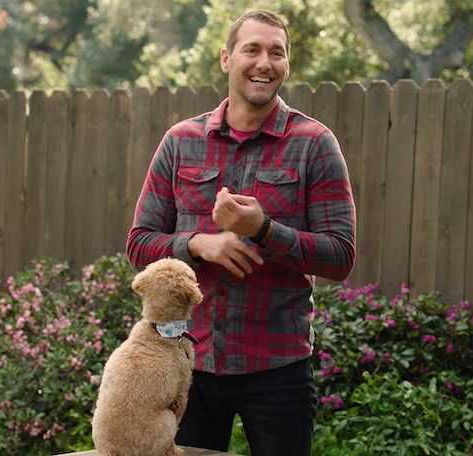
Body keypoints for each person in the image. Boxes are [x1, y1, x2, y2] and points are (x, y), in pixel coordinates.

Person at [126, 9, 356, 456]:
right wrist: (197, 244)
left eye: (277, 52)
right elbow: (139, 243)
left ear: (287, 64)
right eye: (252, 49)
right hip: (186, 361)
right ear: (226, 59)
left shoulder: (314, 143)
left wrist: (264, 229)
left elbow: (340, 255)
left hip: (278, 368)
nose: (264, 63)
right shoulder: (181, 140)